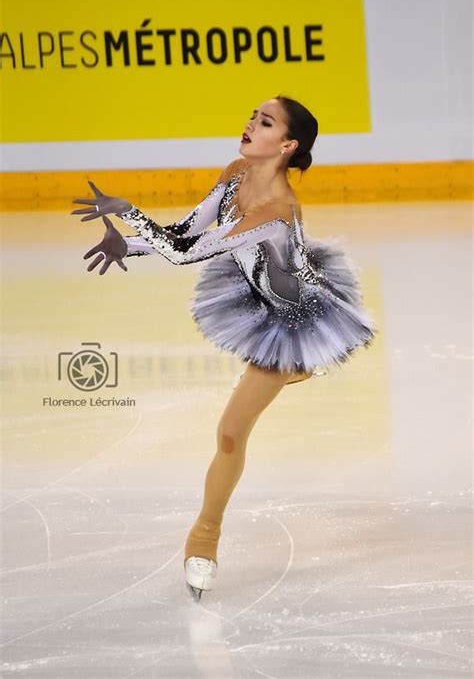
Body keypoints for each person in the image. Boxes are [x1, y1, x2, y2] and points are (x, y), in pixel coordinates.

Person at [71, 95, 378, 601]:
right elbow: (184, 234)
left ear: (287, 144)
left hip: (294, 320)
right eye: (252, 116)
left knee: (230, 433)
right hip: (257, 297)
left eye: (265, 122)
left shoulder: (276, 210)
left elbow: (185, 255)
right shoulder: (236, 173)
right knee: (233, 432)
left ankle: (204, 538)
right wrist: (131, 244)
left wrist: (127, 214)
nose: (250, 124)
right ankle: (295, 377)